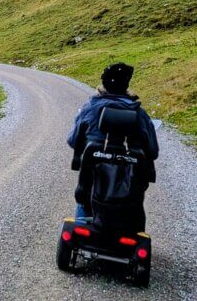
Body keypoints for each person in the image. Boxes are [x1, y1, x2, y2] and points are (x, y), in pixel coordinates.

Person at [67, 62, 158, 222]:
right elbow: (153, 151)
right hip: (129, 194)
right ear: (126, 85)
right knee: (135, 214)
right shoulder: (139, 113)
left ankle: (82, 223)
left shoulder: (90, 108)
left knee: (84, 202)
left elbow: (73, 141)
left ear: (103, 84)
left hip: (91, 190)